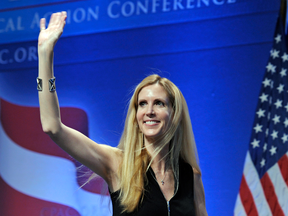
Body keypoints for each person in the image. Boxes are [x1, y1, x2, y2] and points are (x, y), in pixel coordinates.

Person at [37, 11, 208, 216]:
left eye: (159, 104)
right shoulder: (118, 163)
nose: (149, 111)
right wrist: (45, 55)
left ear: (175, 113)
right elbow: (52, 127)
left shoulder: (191, 176)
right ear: (135, 116)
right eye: (142, 104)